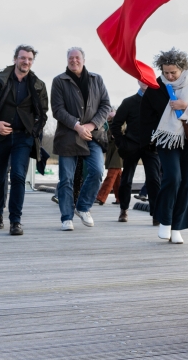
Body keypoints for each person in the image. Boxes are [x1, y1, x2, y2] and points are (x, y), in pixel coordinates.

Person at [0, 45, 49, 235]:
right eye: (23, 58)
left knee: (18, 177)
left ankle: (16, 220)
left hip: (23, 137)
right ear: (15, 59)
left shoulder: (38, 85)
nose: (26, 62)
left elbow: (43, 113)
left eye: (29, 59)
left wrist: (34, 131)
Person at [139, 48, 188, 244]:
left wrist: (187, 106)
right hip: (166, 140)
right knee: (173, 177)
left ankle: (177, 227)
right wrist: (149, 140)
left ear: (182, 68)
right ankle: (165, 221)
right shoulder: (156, 86)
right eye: (165, 72)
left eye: (173, 72)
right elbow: (145, 115)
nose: (169, 76)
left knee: (186, 182)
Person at [51, 47, 111, 231]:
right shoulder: (59, 81)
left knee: (97, 171)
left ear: (84, 60)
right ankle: (66, 217)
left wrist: (91, 125)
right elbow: (57, 110)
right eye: (71, 58)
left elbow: (105, 105)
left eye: (77, 57)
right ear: (67, 60)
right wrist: (77, 126)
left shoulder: (96, 79)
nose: (74, 60)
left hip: (92, 135)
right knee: (66, 179)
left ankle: (83, 206)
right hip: (68, 136)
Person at [112, 81, 160, 224]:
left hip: (151, 146)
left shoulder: (157, 102)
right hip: (131, 146)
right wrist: (122, 143)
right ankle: (124, 209)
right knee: (126, 179)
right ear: (138, 81)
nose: (144, 83)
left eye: (147, 80)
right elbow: (116, 124)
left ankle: (156, 213)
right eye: (142, 80)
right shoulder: (129, 102)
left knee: (154, 179)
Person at [95, 109, 122, 206]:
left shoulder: (119, 122)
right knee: (117, 177)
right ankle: (120, 198)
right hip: (111, 152)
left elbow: (122, 131)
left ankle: (100, 197)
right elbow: (104, 137)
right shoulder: (105, 124)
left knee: (111, 175)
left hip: (118, 153)